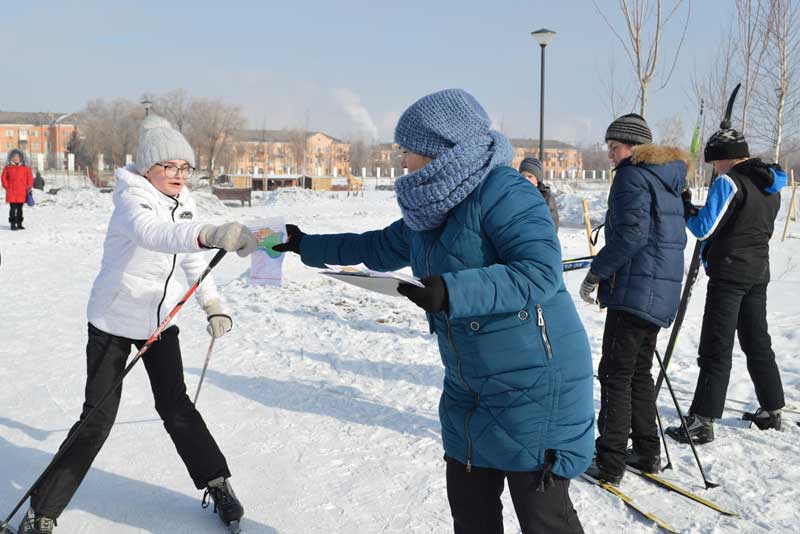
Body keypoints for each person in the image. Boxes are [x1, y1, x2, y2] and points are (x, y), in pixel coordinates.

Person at [274, 89, 593, 534]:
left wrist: (450, 290)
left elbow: (541, 273)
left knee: (544, 520)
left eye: (407, 149)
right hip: (470, 384)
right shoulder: (431, 205)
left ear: (439, 149)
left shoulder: (505, 191)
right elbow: (378, 246)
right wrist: (305, 244)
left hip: (534, 384)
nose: (401, 159)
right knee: (471, 515)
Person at [20, 115, 258, 534]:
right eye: (169, 167)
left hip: (159, 322)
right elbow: (156, 234)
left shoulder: (184, 201)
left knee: (176, 406)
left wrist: (213, 303)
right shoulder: (131, 198)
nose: (179, 176)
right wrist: (209, 232)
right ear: (148, 167)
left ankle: (217, 482)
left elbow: (190, 258)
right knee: (96, 418)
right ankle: (43, 510)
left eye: (185, 168)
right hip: (113, 322)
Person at [579, 113, 687, 485]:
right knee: (638, 373)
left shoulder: (630, 176)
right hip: (659, 290)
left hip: (635, 290)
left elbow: (631, 237)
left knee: (615, 374)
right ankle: (645, 451)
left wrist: (597, 273)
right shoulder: (667, 179)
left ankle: (609, 462)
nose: (610, 155)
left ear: (633, 147)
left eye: (613, 147)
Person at [666, 127, 786, 444]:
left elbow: (705, 228)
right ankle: (772, 410)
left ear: (724, 159)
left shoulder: (728, 181)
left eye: (714, 162)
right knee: (757, 341)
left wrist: (685, 210)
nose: (713, 169)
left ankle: (702, 421)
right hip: (758, 271)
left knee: (715, 348)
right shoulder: (770, 184)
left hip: (729, 275)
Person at [519, 157, 559, 230]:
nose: (526, 179)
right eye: (522, 176)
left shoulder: (546, 197)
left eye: (530, 176)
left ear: (537, 179)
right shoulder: (516, 194)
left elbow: (552, 224)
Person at [2, 149, 34, 230]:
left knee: (20, 209)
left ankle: (19, 223)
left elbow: (30, 178)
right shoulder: (7, 168)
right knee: (12, 208)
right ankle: (13, 224)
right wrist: (6, 186)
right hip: (11, 192)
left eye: (17, 156)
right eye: (14, 157)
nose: (16, 158)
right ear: (11, 158)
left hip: (22, 192)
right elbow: (3, 177)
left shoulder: (26, 168)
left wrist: (29, 186)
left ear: (21, 158)